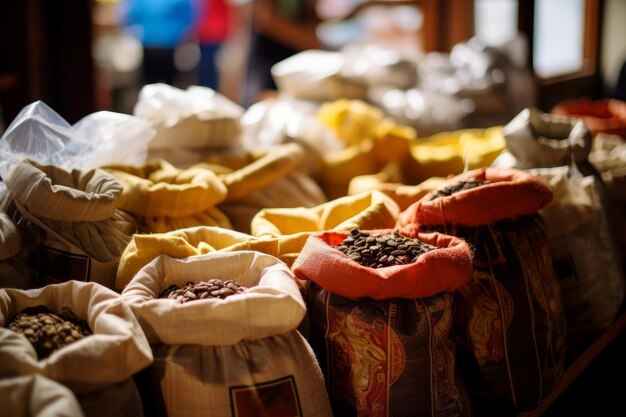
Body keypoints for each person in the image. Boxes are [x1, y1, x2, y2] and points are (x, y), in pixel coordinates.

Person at [243, 0, 323, 107]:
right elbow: (265, 18)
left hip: (294, 60)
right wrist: (309, 41)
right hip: (268, 59)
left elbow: (312, 16)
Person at [121, 0, 195, 86]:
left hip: (166, 43)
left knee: (160, 82)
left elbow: (187, 17)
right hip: (154, 42)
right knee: (153, 82)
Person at [194, 0, 234, 91]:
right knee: (204, 68)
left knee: (209, 69)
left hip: (216, 35)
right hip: (204, 35)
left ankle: (210, 92)